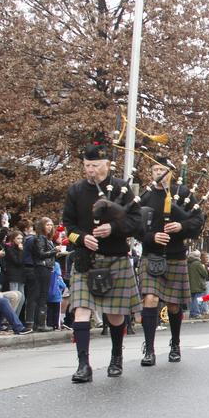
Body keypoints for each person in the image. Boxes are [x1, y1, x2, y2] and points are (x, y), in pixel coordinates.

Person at [61, 137, 144, 382]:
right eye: (87, 165)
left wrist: (113, 229)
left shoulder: (121, 189)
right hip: (86, 259)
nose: (90, 170)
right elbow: (68, 225)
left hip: (115, 257)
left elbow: (135, 222)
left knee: (116, 315)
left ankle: (116, 357)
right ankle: (83, 365)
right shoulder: (76, 190)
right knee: (81, 311)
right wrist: (82, 238)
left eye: (95, 165)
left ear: (107, 164)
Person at [137, 156, 205, 365]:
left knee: (174, 306)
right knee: (150, 299)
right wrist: (151, 237)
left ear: (171, 172)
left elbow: (198, 220)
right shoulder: (145, 196)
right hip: (151, 255)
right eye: (155, 169)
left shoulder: (183, 194)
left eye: (162, 169)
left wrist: (181, 227)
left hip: (175, 256)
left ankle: (175, 343)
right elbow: (134, 226)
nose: (159, 173)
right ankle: (149, 349)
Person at [30, 217, 57, 332]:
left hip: (46, 267)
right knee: (42, 295)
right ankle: (40, 323)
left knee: (42, 295)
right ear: (42, 226)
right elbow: (41, 254)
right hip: (42, 267)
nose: (50, 227)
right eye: (47, 225)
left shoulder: (47, 239)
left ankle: (40, 323)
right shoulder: (40, 238)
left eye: (51, 225)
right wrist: (55, 251)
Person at [188, 251, 209, 318]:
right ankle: (196, 313)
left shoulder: (189, 263)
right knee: (198, 300)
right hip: (198, 285)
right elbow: (205, 274)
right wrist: (204, 267)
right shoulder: (198, 264)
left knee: (192, 300)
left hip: (191, 284)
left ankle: (192, 313)